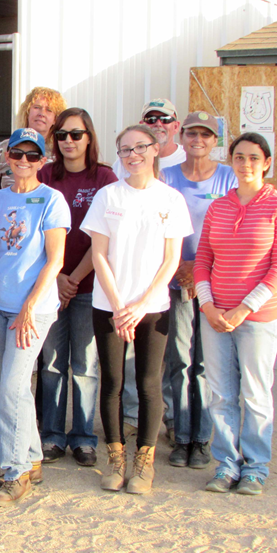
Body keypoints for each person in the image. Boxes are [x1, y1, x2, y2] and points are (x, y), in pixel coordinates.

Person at [82, 125, 192, 494]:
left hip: (153, 308)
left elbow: (172, 259)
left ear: (156, 149)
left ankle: (144, 463)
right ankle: (115, 459)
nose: (133, 155)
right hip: (108, 306)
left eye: (140, 147)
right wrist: (118, 307)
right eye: (125, 149)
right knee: (112, 383)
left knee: (148, 384)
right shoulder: (108, 196)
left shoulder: (171, 199)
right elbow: (98, 253)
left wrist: (141, 306)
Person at [194, 132, 277, 496]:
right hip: (216, 315)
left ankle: (255, 466)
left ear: (266, 163)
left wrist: (243, 308)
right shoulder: (219, 207)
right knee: (220, 393)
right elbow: (203, 258)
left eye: (254, 158)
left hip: (257, 317)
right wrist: (207, 304)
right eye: (239, 157)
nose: (246, 164)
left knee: (255, 393)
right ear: (231, 161)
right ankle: (226, 463)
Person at [0, 128, 69, 507]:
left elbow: (56, 260)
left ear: (43, 161)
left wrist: (31, 304)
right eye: (17, 153)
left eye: (32, 156)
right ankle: (31, 457)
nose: (23, 161)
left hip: (32, 310)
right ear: (6, 156)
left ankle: (15, 471)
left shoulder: (52, 200)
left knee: (12, 388)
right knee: (13, 384)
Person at [36, 108, 117, 468]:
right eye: (62, 135)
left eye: (76, 134)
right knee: (52, 363)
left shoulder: (105, 178)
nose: (69, 141)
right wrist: (56, 278)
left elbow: (106, 234)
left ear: (89, 137)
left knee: (85, 365)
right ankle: (52, 435)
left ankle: (84, 437)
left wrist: (74, 279)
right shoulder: (44, 175)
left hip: (89, 287)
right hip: (49, 283)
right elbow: (34, 230)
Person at [160, 112, 237, 469]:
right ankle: (181, 436)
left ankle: (202, 439)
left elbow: (234, 231)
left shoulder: (227, 177)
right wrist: (180, 269)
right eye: (192, 133)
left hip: (213, 284)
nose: (198, 140)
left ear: (214, 140)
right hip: (176, 280)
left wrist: (201, 272)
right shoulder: (168, 176)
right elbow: (159, 226)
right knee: (180, 361)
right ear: (183, 135)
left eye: (206, 135)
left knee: (205, 364)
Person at [110, 97, 186, 439]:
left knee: (175, 358)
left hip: (179, 276)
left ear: (174, 126)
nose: (157, 121)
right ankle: (130, 415)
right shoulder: (121, 167)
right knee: (130, 362)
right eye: (149, 118)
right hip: (126, 285)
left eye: (164, 118)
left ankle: (170, 420)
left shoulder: (184, 160)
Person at [0, 87, 67, 190]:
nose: (42, 114)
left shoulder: (60, 151)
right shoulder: (4, 148)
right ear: (27, 112)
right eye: (37, 107)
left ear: (55, 119)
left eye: (49, 110)